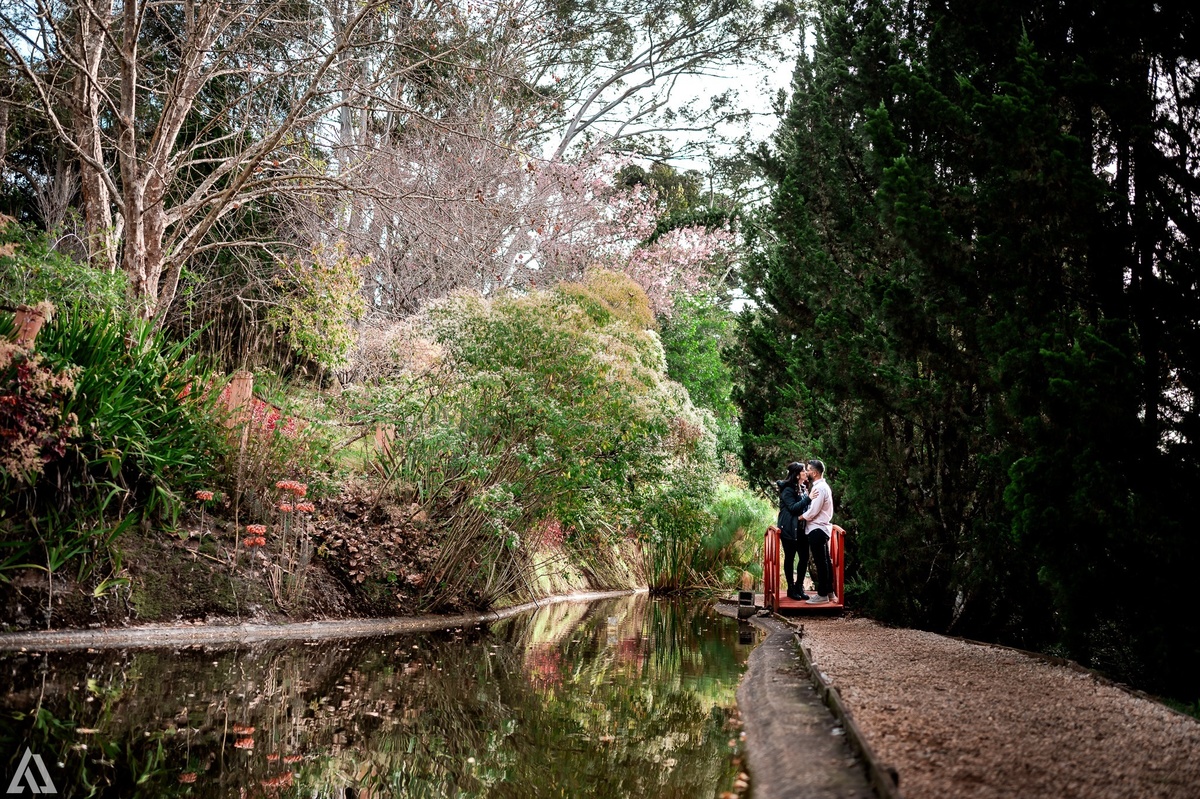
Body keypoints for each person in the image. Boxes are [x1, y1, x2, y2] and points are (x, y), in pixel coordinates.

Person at [800, 459, 836, 604]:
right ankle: (829, 592)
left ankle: (822, 595)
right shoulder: (822, 486)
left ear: (814, 473)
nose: (807, 472)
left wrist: (800, 517)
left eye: (808, 470)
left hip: (817, 528)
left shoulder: (819, 488)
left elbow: (814, 511)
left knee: (821, 562)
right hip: (821, 528)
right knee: (825, 561)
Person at [774, 462, 811, 601]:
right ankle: (791, 588)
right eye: (803, 471)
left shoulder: (803, 488)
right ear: (796, 475)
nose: (806, 473)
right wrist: (809, 498)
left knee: (804, 557)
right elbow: (793, 508)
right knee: (790, 558)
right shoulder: (787, 490)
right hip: (789, 529)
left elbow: (806, 508)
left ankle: (799, 586)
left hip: (802, 529)